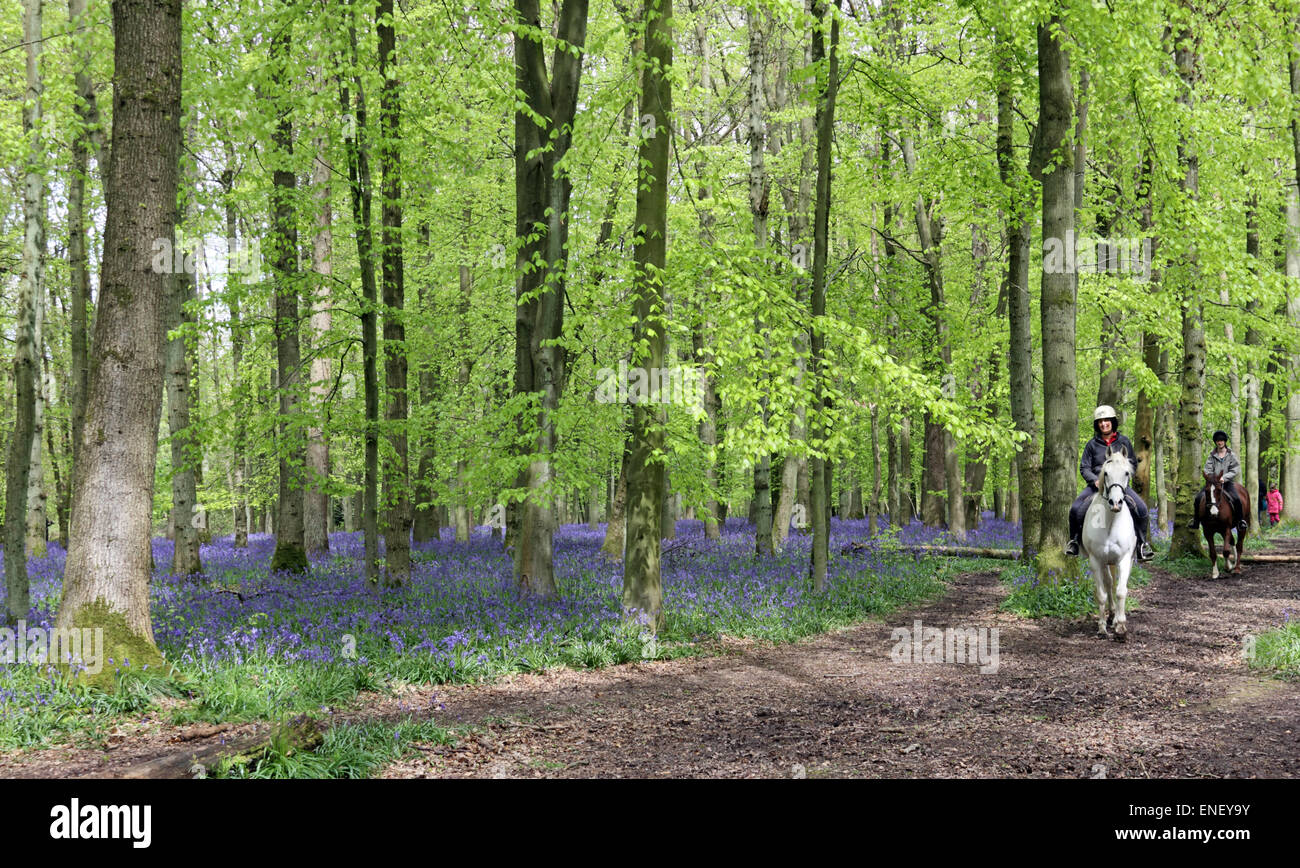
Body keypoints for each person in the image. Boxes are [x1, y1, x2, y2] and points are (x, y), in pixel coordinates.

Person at [1065, 405, 1154, 561]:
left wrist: (1122, 479)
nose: (1103, 424)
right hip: (1097, 487)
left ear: (1112, 422)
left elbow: (1132, 463)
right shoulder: (1092, 445)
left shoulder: (1124, 441)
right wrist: (1095, 480)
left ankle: (1142, 545)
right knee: (1075, 510)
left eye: (1106, 420)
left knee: (1142, 510)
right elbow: (1084, 467)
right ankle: (1074, 542)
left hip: (1120, 486)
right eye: (1100, 421)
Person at [1188, 430, 1247, 533]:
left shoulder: (1231, 454)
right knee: (1198, 498)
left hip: (1227, 482)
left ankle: (1240, 521)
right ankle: (1196, 522)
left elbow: (1235, 469)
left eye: (1222, 441)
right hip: (1213, 483)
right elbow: (1207, 469)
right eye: (1218, 441)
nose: (1220, 443)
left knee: (1237, 499)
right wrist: (1213, 478)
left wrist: (1225, 477)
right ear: (1215, 442)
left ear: (1225, 442)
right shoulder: (1212, 455)